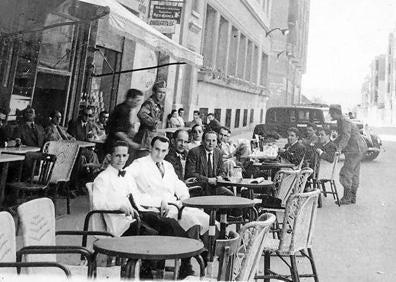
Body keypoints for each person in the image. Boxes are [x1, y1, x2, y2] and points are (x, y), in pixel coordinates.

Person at [93, 141, 191, 278]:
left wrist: (160, 203)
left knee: (168, 223)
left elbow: (137, 197)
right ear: (109, 157)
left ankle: (187, 262)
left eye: (124, 156)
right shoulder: (102, 179)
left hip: (137, 213)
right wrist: (119, 205)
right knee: (152, 235)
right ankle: (147, 273)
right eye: (117, 156)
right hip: (121, 222)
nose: (121, 160)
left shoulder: (125, 175)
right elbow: (98, 203)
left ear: (128, 156)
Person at [127, 136, 210, 277]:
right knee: (190, 220)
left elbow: (178, 184)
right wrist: (157, 202)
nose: (159, 154)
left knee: (201, 218)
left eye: (163, 151)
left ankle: (188, 261)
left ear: (167, 151)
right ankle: (191, 256)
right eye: (157, 149)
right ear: (150, 148)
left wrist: (184, 197)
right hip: (152, 208)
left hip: (173, 204)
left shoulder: (168, 166)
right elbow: (128, 184)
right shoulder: (139, 164)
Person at [329, 104, 367, 205]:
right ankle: (352, 197)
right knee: (354, 173)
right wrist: (333, 143)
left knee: (346, 173)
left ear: (335, 113)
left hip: (354, 150)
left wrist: (339, 149)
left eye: (331, 113)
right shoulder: (341, 121)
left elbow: (346, 136)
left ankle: (347, 198)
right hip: (357, 149)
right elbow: (342, 135)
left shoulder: (345, 121)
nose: (330, 115)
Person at [185, 130, 233, 196]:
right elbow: (190, 173)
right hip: (199, 187)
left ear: (217, 142)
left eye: (214, 141)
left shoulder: (218, 152)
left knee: (230, 195)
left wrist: (219, 177)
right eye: (208, 140)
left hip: (214, 187)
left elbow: (222, 171)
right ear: (203, 141)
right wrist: (208, 180)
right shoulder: (194, 152)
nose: (211, 143)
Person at [106, 89, 143, 164]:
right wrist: (132, 143)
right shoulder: (123, 110)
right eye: (137, 100)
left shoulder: (126, 108)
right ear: (130, 99)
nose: (139, 103)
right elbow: (118, 132)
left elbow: (125, 128)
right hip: (114, 145)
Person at [135, 81, 166, 149]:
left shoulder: (158, 104)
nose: (162, 95)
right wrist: (153, 122)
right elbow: (141, 114)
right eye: (159, 92)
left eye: (163, 93)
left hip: (152, 136)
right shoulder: (149, 103)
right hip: (145, 137)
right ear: (154, 92)